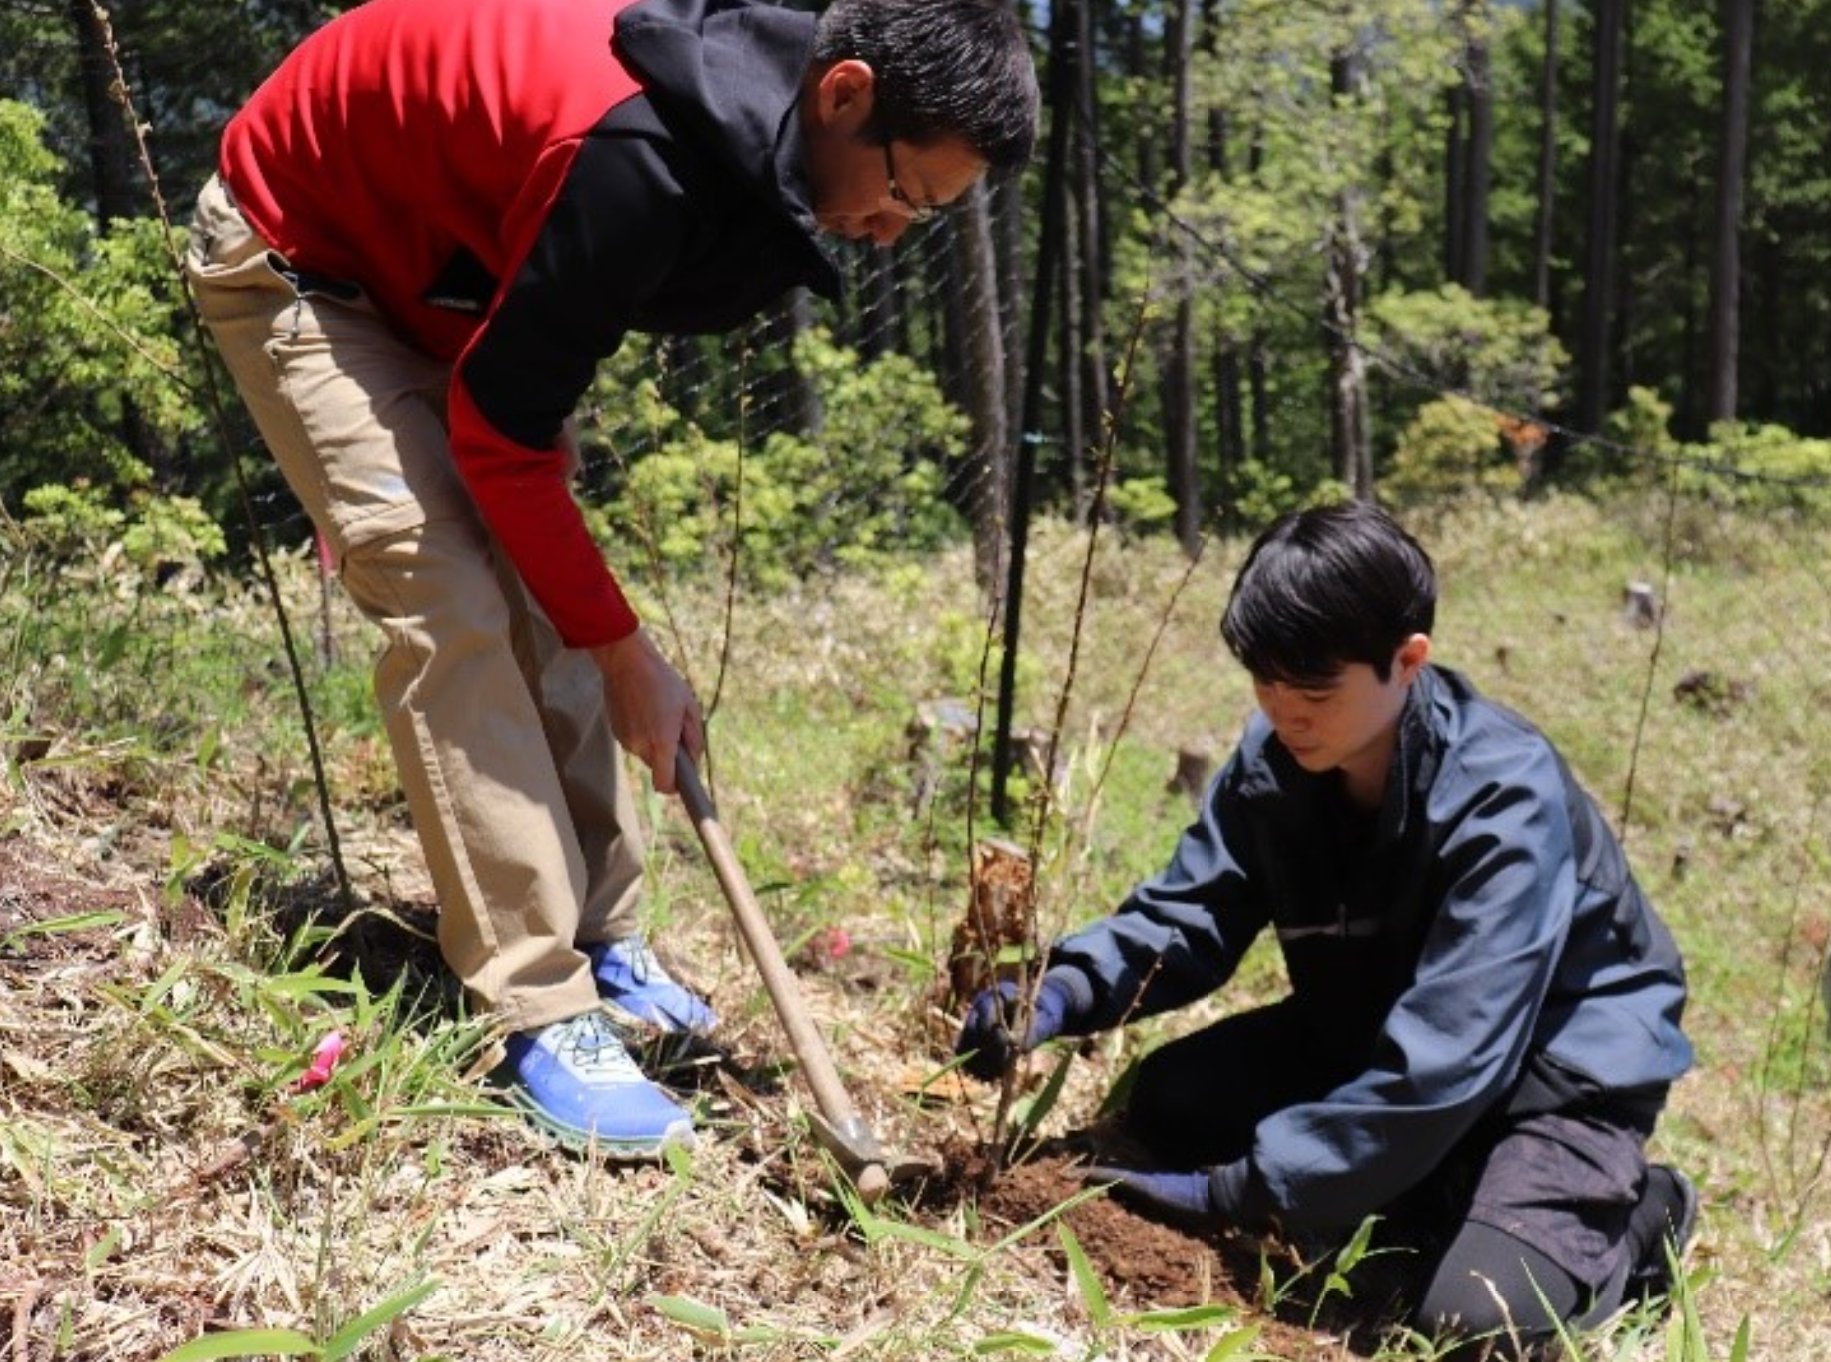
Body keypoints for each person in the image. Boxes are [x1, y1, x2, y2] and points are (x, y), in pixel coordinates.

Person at [186, 0, 1037, 1157]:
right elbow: (499, 439)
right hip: (306, 252)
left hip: (452, 279)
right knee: (448, 599)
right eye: (905, 193)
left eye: (923, 217)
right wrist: (630, 654)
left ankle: (600, 936)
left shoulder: (749, 138)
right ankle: (539, 1005)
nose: (889, 233)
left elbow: (514, 418)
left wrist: (606, 638)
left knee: (550, 599)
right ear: (841, 94)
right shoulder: (639, 151)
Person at [956, 502, 1697, 1356]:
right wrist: (1057, 991)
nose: (1283, 712)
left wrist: (1248, 1192)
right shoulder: (1273, 764)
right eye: (1263, 682)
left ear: (1406, 660)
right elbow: (1189, 913)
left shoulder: (1502, 795)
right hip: (1384, 1026)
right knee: (1172, 1102)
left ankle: (1641, 1218)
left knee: (1476, 1321)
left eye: (1312, 689)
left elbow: (1453, 1056)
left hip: (1553, 1072)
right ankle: (1431, 1184)